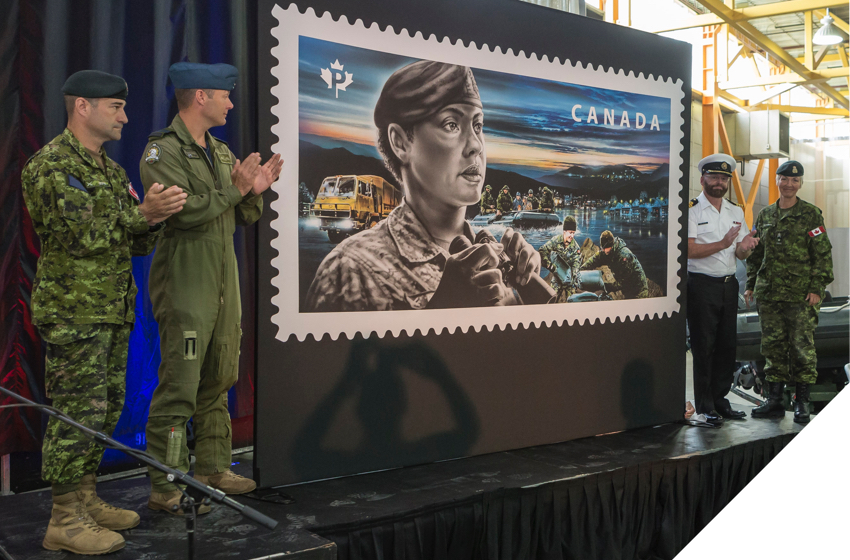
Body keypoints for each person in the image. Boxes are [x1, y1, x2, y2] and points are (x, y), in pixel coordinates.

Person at [22, 70, 186, 555]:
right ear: (83, 107)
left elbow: (131, 241)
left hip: (112, 310)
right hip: (75, 312)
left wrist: (154, 217)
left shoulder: (111, 172)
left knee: (105, 409)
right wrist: (141, 217)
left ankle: (86, 499)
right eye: (116, 108)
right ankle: (63, 519)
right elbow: (78, 238)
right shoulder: (50, 165)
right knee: (77, 414)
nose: (125, 117)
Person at [139, 62, 283, 513]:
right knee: (180, 384)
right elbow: (182, 212)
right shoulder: (161, 154)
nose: (231, 103)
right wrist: (235, 192)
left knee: (218, 377)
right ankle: (166, 485)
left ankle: (213, 467)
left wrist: (253, 191)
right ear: (200, 96)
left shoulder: (220, 153)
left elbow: (240, 215)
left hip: (223, 283)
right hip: (186, 284)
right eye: (225, 95)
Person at [305, 60, 540, 312]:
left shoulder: (497, 255)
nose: (476, 145)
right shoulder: (350, 270)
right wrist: (444, 309)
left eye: (478, 126)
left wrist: (527, 290)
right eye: (451, 124)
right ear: (401, 143)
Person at [746, 161, 833, 423]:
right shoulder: (765, 216)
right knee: (773, 348)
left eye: (794, 181)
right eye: (784, 179)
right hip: (770, 294)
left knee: (801, 349)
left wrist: (817, 288)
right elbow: (756, 254)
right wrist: (751, 284)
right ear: (776, 181)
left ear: (800, 184)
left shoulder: (811, 215)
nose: (789, 184)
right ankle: (774, 400)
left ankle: (802, 401)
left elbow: (822, 254)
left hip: (800, 296)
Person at [687, 154, 759, 425]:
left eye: (724, 178)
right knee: (703, 348)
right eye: (714, 177)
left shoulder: (735, 210)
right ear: (703, 178)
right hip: (701, 286)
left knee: (727, 348)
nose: (719, 182)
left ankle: (720, 400)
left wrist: (746, 246)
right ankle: (705, 407)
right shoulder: (692, 209)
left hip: (729, 287)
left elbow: (739, 254)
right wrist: (722, 242)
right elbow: (689, 250)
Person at [581, 230, 648, 299]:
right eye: (602, 248)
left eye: (605, 248)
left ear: (611, 246)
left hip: (638, 290)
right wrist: (581, 270)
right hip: (627, 289)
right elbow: (594, 260)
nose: (603, 251)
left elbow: (624, 282)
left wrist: (607, 287)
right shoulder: (606, 251)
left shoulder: (624, 256)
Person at [538, 216, 582, 302]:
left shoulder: (576, 248)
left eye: (573, 233)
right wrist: (548, 264)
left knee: (573, 303)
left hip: (569, 280)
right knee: (551, 300)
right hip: (557, 278)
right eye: (570, 232)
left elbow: (576, 265)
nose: (572, 236)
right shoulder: (556, 241)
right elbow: (542, 250)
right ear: (564, 231)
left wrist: (574, 278)